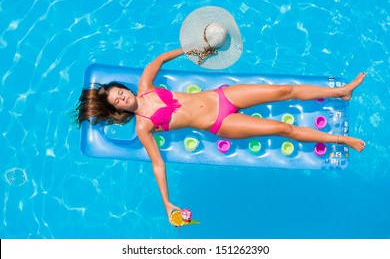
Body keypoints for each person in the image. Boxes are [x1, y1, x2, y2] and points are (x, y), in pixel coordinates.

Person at [76, 47, 366, 224]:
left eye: (120, 92)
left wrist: (196, 49)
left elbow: (161, 58)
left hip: (222, 95)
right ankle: (342, 141)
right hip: (220, 123)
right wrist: (167, 203)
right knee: (283, 129)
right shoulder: (142, 127)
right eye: (118, 100)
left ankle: (341, 91)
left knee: (283, 90)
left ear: (124, 88)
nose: (123, 97)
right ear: (118, 110)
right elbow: (157, 164)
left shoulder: (145, 84)